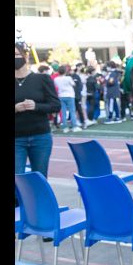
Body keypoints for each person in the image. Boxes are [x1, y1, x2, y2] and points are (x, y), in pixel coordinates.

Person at [15, 42, 61, 177]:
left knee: (39, 178)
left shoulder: (42, 79)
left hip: (41, 137)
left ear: (26, 56)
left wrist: (36, 106)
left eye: (17, 54)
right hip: (16, 139)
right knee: (17, 179)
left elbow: (55, 106)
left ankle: (39, 199)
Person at [53, 65, 81, 133]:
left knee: (63, 112)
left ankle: (65, 127)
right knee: (72, 111)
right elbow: (73, 84)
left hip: (61, 95)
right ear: (65, 71)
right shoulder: (68, 78)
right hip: (69, 95)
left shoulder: (56, 79)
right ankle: (74, 126)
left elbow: (56, 86)